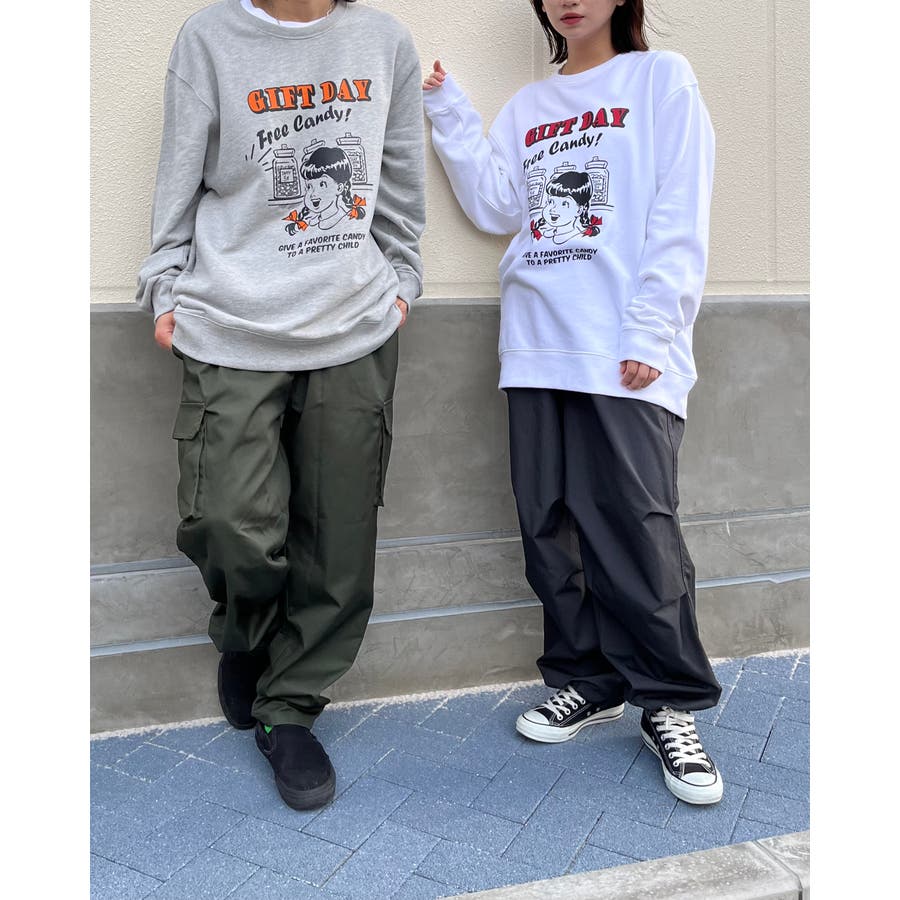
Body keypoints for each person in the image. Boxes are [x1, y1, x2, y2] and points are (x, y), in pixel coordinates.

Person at [422, 0, 723, 805]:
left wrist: (653, 327)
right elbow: (498, 206)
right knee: (549, 529)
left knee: (636, 527)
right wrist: (450, 112)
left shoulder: (660, 79)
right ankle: (590, 679)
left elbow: (680, 207)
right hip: (534, 342)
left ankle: (669, 699)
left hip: (623, 346)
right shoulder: (530, 105)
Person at [136, 0, 425, 811]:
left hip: (353, 324)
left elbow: (400, 174)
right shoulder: (210, 37)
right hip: (231, 321)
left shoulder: (384, 42)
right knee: (228, 521)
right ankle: (247, 635)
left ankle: (289, 707)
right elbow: (179, 171)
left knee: (338, 537)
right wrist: (164, 287)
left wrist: (403, 280)